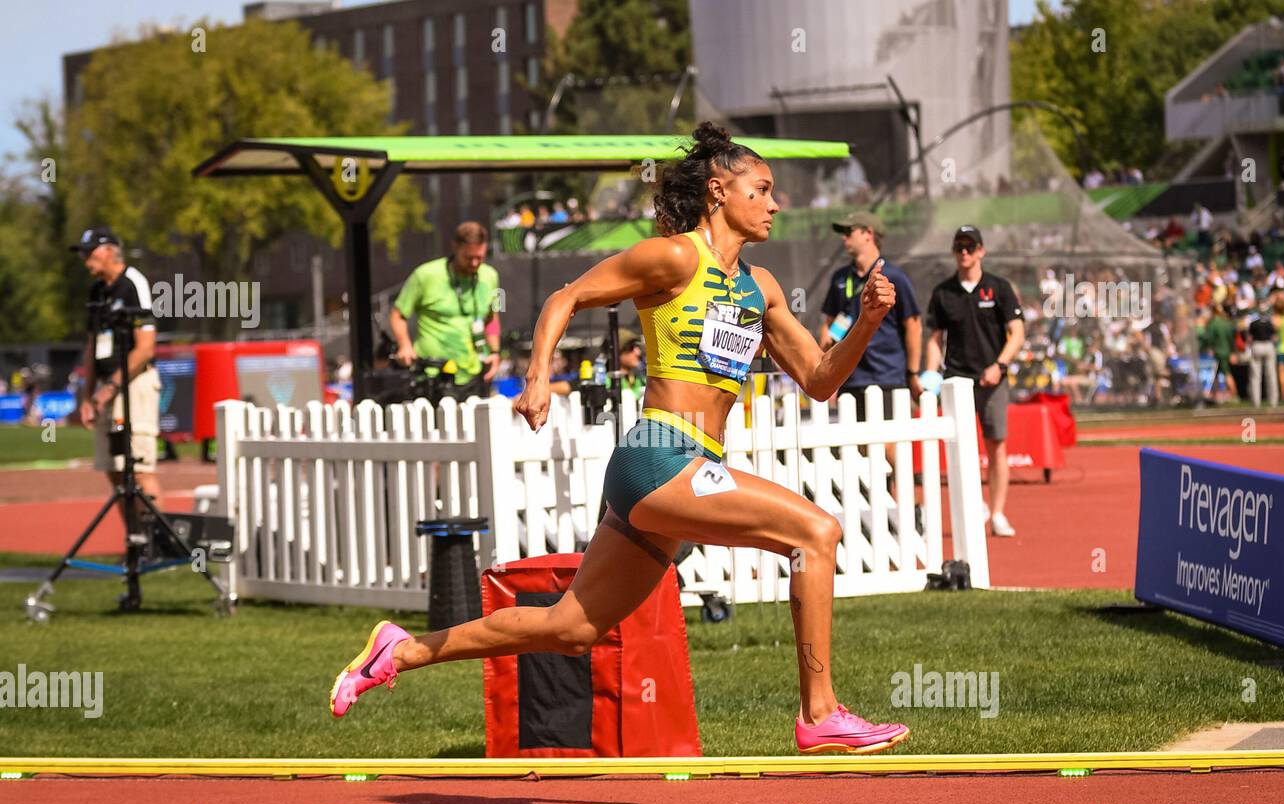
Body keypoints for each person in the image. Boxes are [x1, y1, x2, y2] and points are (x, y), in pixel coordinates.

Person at [329, 121, 910, 755]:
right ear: (719, 191)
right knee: (815, 532)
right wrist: (536, 379)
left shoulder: (761, 287)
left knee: (572, 626)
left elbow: (821, 380)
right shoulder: (674, 256)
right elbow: (567, 296)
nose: (775, 204)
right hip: (657, 456)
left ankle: (398, 650)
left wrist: (869, 321)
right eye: (763, 189)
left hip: (694, 467)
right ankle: (819, 712)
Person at [923, 225, 1026, 537]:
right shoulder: (943, 293)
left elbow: (1017, 333)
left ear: (981, 250)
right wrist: (930, 377)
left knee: (996, 445)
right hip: (956, 380)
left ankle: (997, 513)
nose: (964, 253)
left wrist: (999, 365)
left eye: (970, 247)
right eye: (959, 247)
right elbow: (934, 340)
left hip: (992, 379)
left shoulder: (999, 288)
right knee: (961, 449)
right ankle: (975, 504)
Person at [72, 226, 163, 526]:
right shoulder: (97, 291)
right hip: (105, 389)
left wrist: (108, 389)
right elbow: (91, 344)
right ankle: (134, 542)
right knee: (113, 468)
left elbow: (146, 347)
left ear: (110, 250)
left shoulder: (133, 283)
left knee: (138, 468)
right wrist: (87, 396)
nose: (85, 259)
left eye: (90, 251)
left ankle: (159, 545)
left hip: (133, 386)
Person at [817, 210, 922, 409]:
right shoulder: (840, 278)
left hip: (888, 378)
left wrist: (912, 373)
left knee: (890, 440)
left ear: (868, 234)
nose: (844, 237)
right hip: (849, 379)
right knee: (854, 441)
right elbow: (829, 326)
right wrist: (825, 371)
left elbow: (914, 326)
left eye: (849, 231)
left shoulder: (894, 276)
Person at [387, 221, 501, 401]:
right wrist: (405, 345)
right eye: (468, 257)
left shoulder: (491, 276)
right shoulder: (425, 275)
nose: (474, 263)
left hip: (474, 374)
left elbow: (492, 317)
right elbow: (397, 314)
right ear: (455, 247)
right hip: (433, 375)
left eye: (480, 257)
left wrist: (495, 352)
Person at [1247, 307, 1279, 408]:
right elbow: (1275, 337)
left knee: (1255, 376)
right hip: (1268, 345)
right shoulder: (1270, 323)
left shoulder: (1253, 323)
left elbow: (1249, 338)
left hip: (1257, 345)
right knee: (1271, 375)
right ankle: (1273, 402)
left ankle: (1256, 403)